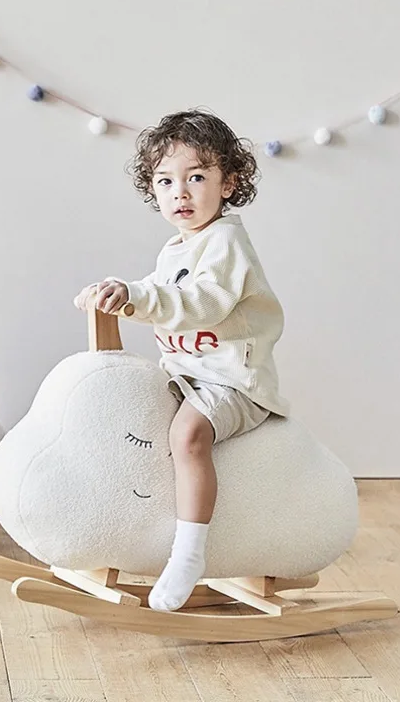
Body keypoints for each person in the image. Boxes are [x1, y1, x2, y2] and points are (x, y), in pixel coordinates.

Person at [75, 110, 289, 611]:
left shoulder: (227, 242)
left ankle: (188, 554)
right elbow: (158, 291)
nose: (181, 193)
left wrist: (137, 298)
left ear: (229, 183)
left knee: (186, 435)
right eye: (166, 181)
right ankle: (119, 528)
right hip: (187, 374)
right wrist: (120, 293)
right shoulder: (177, 247)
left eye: (196, 177)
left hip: (232, 379)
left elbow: (202, 303)